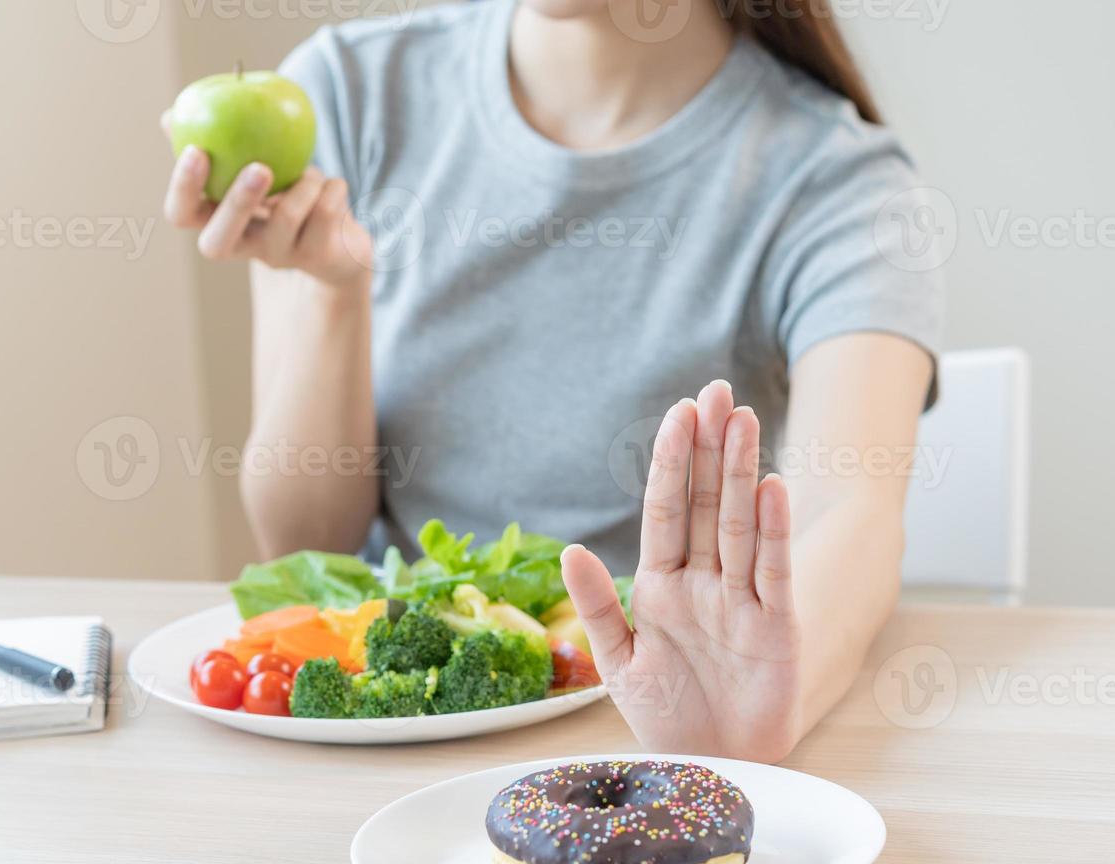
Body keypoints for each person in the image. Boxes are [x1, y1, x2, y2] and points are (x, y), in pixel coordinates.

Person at [161, 0, 943, 761]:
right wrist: (335, 293)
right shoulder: (343, 93)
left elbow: (849, 509)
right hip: (384, 732)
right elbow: (303, 544)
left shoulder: (840, 184)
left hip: (642, 740)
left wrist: (762, 700)